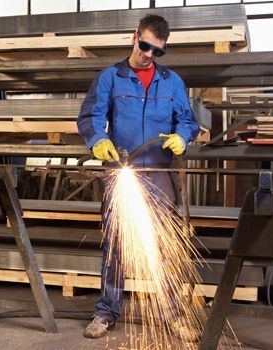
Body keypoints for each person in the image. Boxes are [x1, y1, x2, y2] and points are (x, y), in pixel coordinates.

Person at [77, 14, 200, 340]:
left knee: (163, 245)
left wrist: (183, 137)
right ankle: (106, 312)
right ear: (135, 38)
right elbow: (89, 116)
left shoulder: (171, 81)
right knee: (116, 245)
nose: (149, 54)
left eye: (157, 51)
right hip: (122, 173)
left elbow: (188, 121)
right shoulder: (110, 79)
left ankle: (172, 315)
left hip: (158, 175)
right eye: (145, 46)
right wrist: (97, 140)